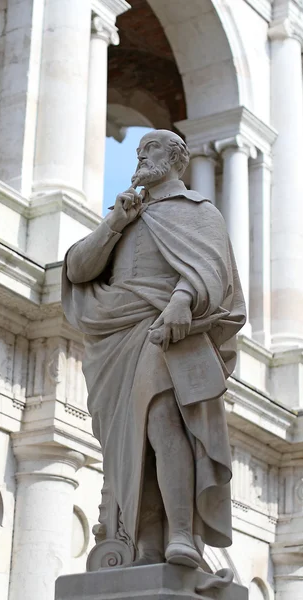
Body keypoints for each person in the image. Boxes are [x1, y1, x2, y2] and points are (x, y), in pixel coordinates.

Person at [62, 130, 246, 568]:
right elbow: (78, 267)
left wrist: (183, 299)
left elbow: (212, 268)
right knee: (129, 442)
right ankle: (145, 540)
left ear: (178, 158)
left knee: (162, 418)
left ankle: (181, 533)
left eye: (154, 148)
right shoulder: (125, 212)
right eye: (140, 149)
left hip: (165, 331)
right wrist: (114, 224)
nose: (142, 154)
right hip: (116, 338)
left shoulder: (199, 212)